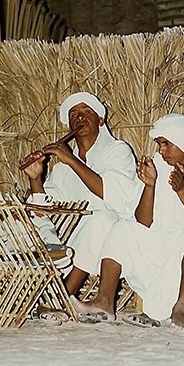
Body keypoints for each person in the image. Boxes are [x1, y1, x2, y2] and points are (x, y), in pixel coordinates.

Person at [71, 113, 184, 328]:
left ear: (182, 142)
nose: (160, 150)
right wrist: (149, 186)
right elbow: (142, 222)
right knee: (123, 229)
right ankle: (104, 302)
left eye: (165, 143)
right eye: (159, 144)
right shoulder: (160, 167)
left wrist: (182, 190)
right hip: (162, 249)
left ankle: (181, 308)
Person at [20, 92, 141, 295]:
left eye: (87, 112)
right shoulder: (62, 169)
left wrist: (72, 161)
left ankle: (65, 293)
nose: (80, 118)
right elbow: (44, 210)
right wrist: (35, 178)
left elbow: (115, 196)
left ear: (100, 120)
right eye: (74, 114)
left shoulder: (118, 150)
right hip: (73, 239)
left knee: (100, 219)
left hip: (115, 239)